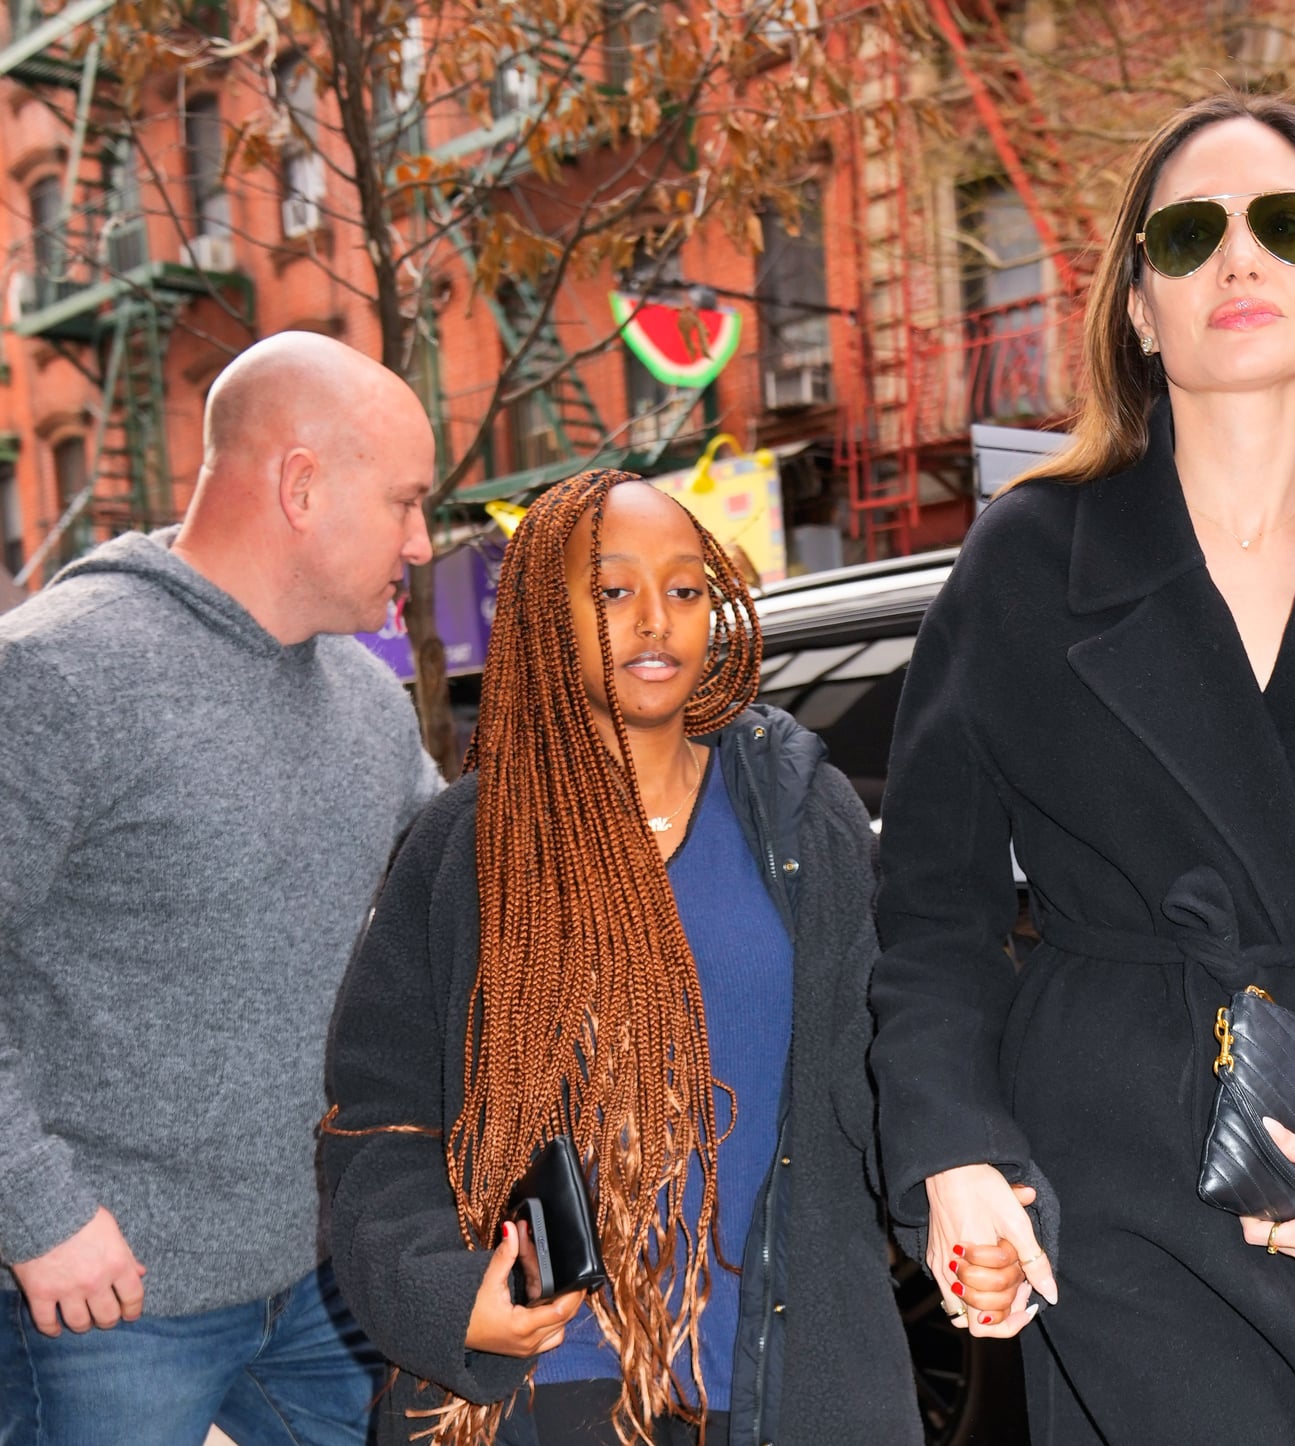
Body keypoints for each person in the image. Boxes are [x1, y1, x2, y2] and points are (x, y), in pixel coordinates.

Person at [869, 93, 1295, 1444]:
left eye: (1285, 225)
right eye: (1191, 234)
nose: (1240, 260)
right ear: (1138, 305)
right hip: (1116, 1155)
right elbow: (932, 910)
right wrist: (955, 1150)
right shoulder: (1027, 560)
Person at [323, 471, 950, 1446]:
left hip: (791, 1387)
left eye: (688, 588)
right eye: (612, 591)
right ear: (542, 613)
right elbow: (377, 1121)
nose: (655, 619)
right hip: (544, 1390)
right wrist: (445, 1295)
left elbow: (905, 1057)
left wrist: (962, 1186)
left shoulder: (803, 818)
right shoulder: (463, 847)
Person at [0, 331, 445, 1444]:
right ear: (301, 484)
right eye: (403, 503)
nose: (422, 541)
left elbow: (466, 904)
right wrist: (36, 1211)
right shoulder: (57, 674)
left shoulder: (369, 701)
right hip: (103, 1297)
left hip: (326, 1275)